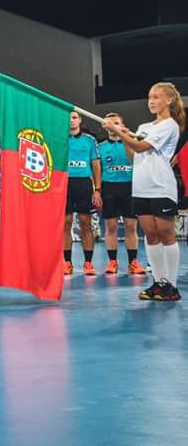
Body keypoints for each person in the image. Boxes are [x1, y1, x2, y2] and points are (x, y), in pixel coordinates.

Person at [105, 83, 185, 301]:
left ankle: (172, 286)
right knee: (150, 235)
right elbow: (134, 155)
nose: (151, 101)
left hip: (161, 186)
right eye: (149, 97)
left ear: (168, 100)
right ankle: (158, 283)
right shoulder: (143, 127)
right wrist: (123, 135)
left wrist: (118, 131)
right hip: (141, 186)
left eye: (157, 97)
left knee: (166, 235)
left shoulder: (170, 125)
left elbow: (141, 147)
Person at [98, 113, 141, 275]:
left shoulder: (132, 143)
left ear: (122, 125)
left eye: (116, 123)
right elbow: (97, 171)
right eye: (110, 123)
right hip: (109, 188)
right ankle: (112, 262)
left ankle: (133, 262)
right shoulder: (100, 148)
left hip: (130, 187)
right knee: (111, 227)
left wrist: (127, 139)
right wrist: (98, 191)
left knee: (131, 226)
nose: (113, 125)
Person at [64, 111, 102, 276]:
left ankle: (88, 263)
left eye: (74, 117)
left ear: (80, 120)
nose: (71, 120)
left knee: (86, 224)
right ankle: (67, 263)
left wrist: (98, 190)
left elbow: (96, 166)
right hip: (64, 185)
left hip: (84, 185)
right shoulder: (59, 139)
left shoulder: (90, 140)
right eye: (68, 117)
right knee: (65, 225)